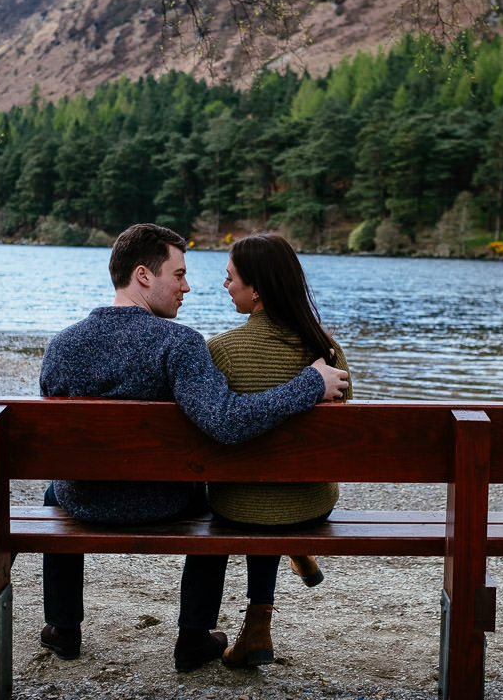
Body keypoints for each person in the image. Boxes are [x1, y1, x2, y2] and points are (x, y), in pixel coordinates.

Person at [38, 223, 348, 673]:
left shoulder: (62, 345)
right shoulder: (179, 343)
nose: (187, 287)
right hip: (164, 503)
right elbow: (226, 421)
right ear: (144, 275)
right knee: (213, 503)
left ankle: (63, 627)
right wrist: (309, 384)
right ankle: (194, 636)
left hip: (82, 500)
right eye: (179, 275)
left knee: (54, 493)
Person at [191, 232, 352, 668]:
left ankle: (259, 625)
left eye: (230, 277)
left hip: (238, 505)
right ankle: (293, 554)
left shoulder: (220, 351)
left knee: (258, 502)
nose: (225, 285)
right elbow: (343, 428)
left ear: (257, 289)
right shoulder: (326, 351)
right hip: (312, 505)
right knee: (276, 499)